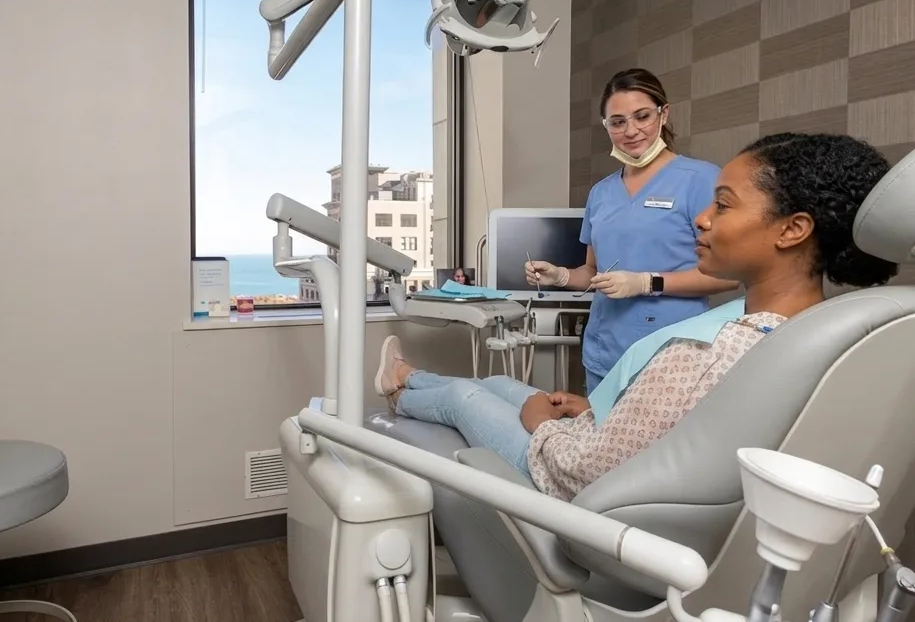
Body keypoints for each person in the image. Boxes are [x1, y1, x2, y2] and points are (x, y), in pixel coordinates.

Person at [374, 133, 898, 502]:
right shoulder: (818, 338)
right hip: (618, 433)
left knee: (475, 396)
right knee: (498, 382)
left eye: (723, 204)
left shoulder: (703, 351)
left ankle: (403, 384)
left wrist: (542, 431)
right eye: (616, 120)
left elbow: (588, 471)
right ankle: (407, 385)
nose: (701, 219)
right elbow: (683, 431)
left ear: (791, 230)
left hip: (588, 492)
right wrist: (599, 414)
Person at [527, 68, 740, 393]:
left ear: (663, 113)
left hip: (670, 356)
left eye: (642, 116)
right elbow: (594, 271)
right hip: (603, 352)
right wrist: (561, 277)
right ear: (606, 126)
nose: (631, 131)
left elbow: (729, 275)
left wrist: (646, 283)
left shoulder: (700, 180)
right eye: (617, 122)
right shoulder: (601, 193)